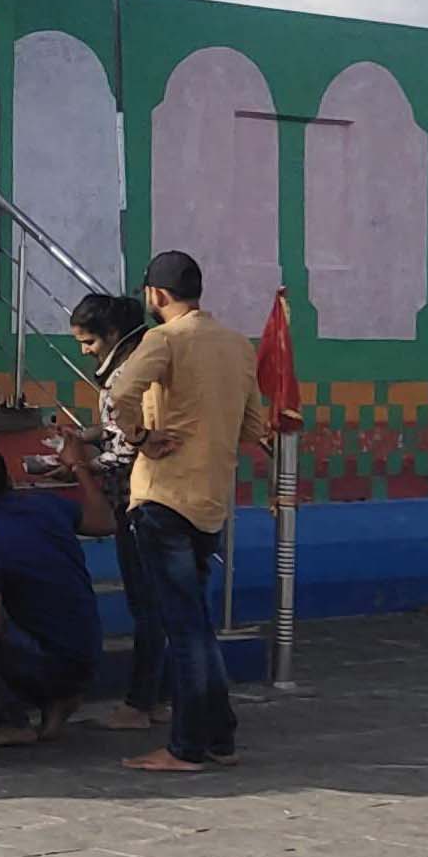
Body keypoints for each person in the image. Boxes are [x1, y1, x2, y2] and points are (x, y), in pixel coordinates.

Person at [97, 250, 275, 776]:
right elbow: (252, 428)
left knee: (185, 627)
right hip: (211, 500)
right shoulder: (238, 346)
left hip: (164, 496)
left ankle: (187, 745)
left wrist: (141, 437)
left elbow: (119, 393)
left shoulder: (164, 340)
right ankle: (218, 737)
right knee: (195, 622)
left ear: (156, 295)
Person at [0, 442, 111, 742]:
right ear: (11, 481)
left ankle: (13, 720)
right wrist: (79, 468)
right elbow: (105, 522)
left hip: (51, 660)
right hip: (89, 649)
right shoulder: (47, 505)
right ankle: (58, 701)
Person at [67, 291, 168, 733]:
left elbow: (126, 449)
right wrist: (88, 437)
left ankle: (140, 702)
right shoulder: (144, 363)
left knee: (146, 603)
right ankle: (157, 696)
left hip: (138, 497)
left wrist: (79, 465)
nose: (86, 352)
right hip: (160, 494)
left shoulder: (126, 376)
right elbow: (117, 430)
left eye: (89, 343)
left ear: (111, 335)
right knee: (160, 603)